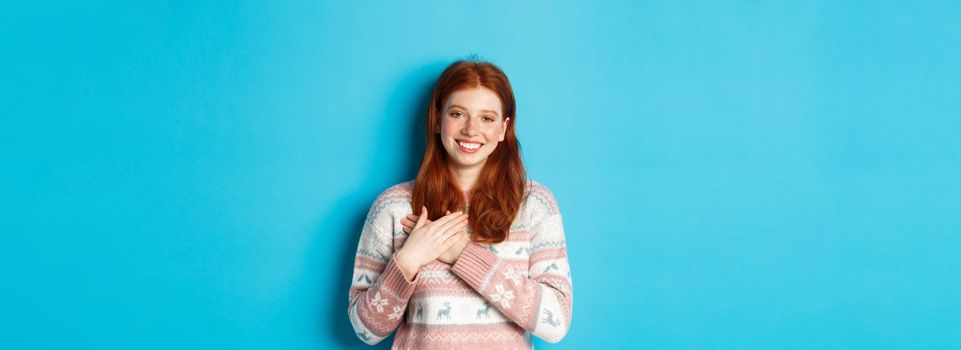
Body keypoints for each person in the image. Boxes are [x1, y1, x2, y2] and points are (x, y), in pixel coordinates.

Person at [347, 59, 572, 349]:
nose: (470, 129)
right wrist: (407, 261)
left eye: (487, 118)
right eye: (458, 114)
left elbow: (556, 322)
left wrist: (461, 253)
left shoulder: (535, 205)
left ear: (504, 129)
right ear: (439, 119)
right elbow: (366, 331)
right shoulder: (394, 207)